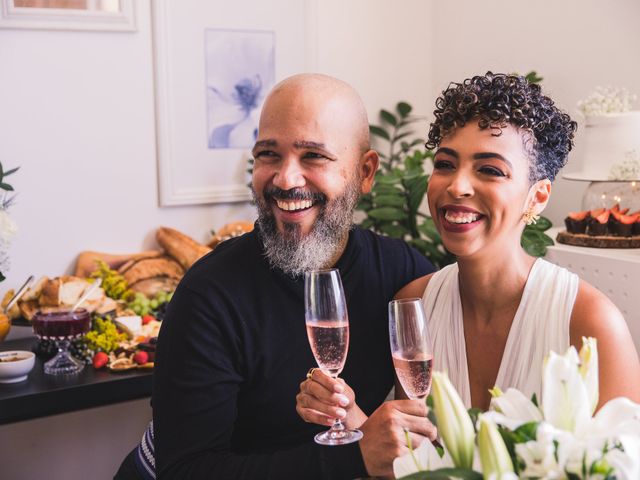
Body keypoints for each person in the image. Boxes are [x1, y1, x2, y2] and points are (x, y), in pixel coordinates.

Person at [296, 71, 640, 473]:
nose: (457, 186)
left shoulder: (589, 323)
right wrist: (351, 415)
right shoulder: (414, 304)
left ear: (538, 196)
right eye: (445, 164)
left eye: (490, 170)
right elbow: (411, 459)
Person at [115, 73, 436, 480]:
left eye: (314, 156)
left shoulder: (402, 272)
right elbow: (185, 470)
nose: (285, 179)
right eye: (268, 154)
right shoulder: (209, 293)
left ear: (366, 172)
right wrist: (353, 457)